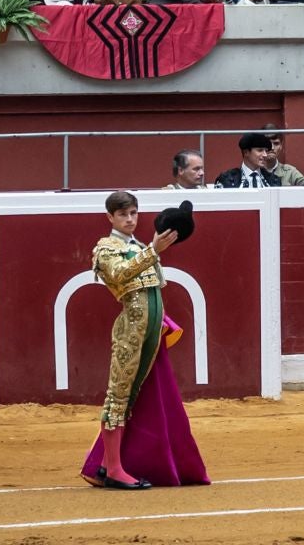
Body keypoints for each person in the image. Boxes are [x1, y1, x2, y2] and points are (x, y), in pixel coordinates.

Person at [79, 191, 206, 491]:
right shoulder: (105, 248)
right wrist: (153, 250)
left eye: (134, 213)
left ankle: (114, 463)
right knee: (119, 395)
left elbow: (151, 291)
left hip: (150, 331)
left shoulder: (138, 246)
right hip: (130, 333)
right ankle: (113, 468)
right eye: (123, 214)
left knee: (139, 397)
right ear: (110, 217)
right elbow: (121, 276)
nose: (130, 219)